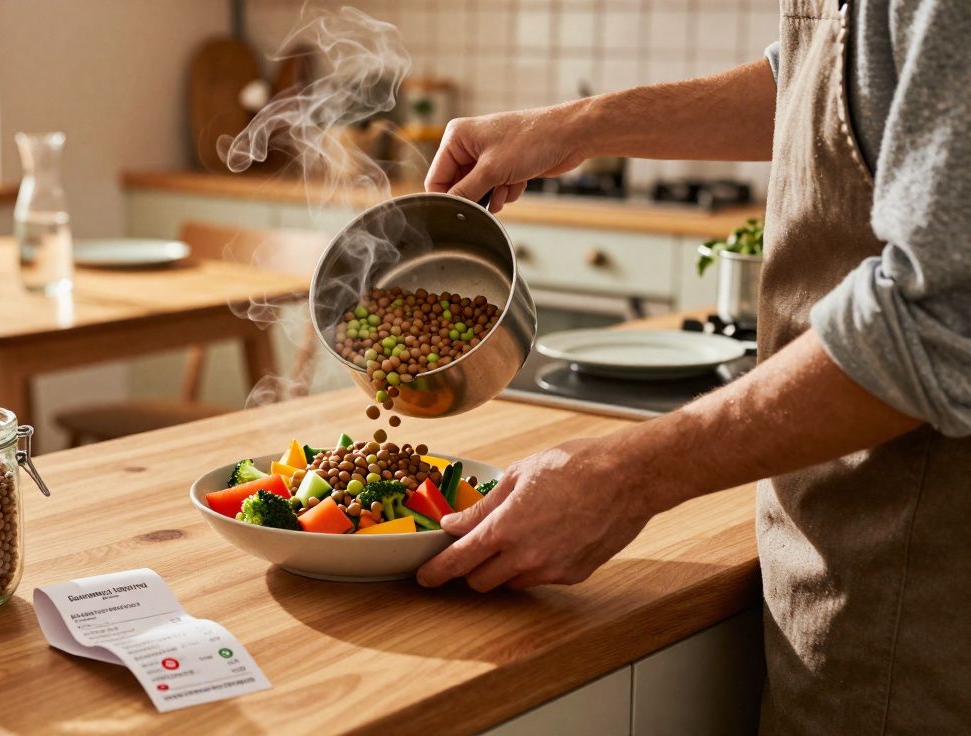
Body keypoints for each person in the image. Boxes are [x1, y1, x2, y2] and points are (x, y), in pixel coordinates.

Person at [415, 0, 970, 732]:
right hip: (836, 535)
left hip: (925, 581)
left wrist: (626, 476)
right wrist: (576, 126)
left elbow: (943, 316)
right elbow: (819, 87)